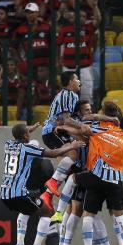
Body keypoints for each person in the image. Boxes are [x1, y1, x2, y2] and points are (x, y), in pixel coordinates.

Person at [0, 123, 85, 245]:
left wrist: (28, 130)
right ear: (25, 135)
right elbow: (52, 153)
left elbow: (18, 134)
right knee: (48, 212)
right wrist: (71, 146)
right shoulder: (28, 149)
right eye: (27, 132)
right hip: (19, 193)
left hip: (4, 193)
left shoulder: (7, 144)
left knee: (25, 210)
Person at [69, 114, 123, 245]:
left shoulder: (104, 131)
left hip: (96, 178)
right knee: (120, 217)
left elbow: (84, 129)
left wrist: (64, 126)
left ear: (119, 124)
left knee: (88, 215)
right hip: (114, 182)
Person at [40, 71, 91, 209]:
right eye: (77, 79)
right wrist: (82, 126)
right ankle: (52, 182)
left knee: (68, 167)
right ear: (70, 82)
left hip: (56, 131)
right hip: (52, 131)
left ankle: (47, 194)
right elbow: (66, 119)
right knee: (73, 153)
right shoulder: (68, 94)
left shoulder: (69, 95)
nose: (79, 81)